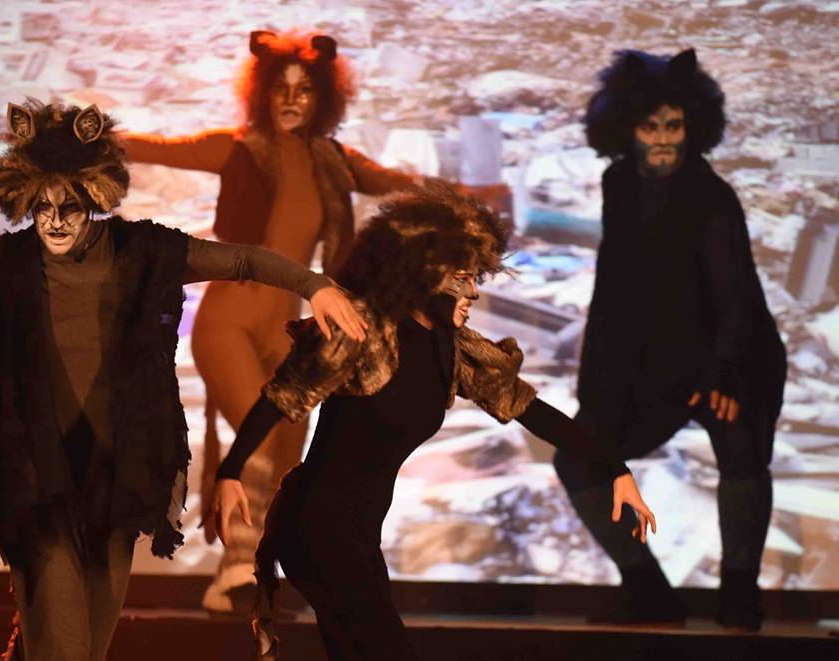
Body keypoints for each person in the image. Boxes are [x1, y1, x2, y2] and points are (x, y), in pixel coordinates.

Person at [0, 99, 365, 660]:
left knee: (86, 651)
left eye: (69, 205)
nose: (54, 220)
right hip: (39, 492)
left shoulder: (144, 252)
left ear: (95, 196)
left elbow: (243, 261)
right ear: (24, 200)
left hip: (116, 488)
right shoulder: (6, 261)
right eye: (41, 207)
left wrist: (315, 285)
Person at [212, 184, 657, 660]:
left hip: (358, 538)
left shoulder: (452, 347)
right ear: (422, 272)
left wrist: (614, 468)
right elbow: (282, 396)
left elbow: (529, 409)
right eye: (462, 277)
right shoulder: (364, 331)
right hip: (316, 529)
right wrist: (231, 471)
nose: (474, 292)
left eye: (476, 277)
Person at [121, 30, 433, 614]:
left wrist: (470, 196)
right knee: (258, 440)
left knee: (288, 465)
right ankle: (237, 572)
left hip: (289, 335)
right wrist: (73, 140)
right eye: (280, 89)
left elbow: (397, 184)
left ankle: (244, 576)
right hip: (227, 324)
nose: (291, 101)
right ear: (261, 93)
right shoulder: (236, 147)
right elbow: (155, 148)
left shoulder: (334, 162)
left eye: (304, 90)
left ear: (322, 99)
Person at [553, 48, 786, 631]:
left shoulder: (712, 196)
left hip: (732, 353)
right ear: (625, 129)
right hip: (654, 360)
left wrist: (722, 375)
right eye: (650, 125)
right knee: (579, 459)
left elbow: (736, 297)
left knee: (742, 451)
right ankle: (648, 593)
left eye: (674, 126)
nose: (662, 138)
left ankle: (740, 598)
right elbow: (614, 289)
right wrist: (596, 388)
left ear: (693, 128)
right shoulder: (617, 182)